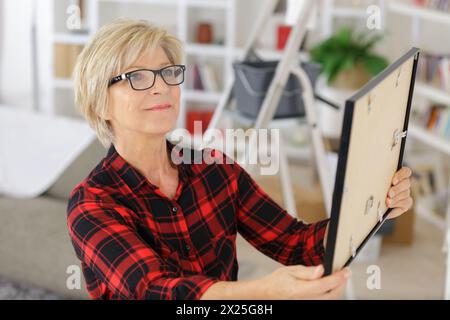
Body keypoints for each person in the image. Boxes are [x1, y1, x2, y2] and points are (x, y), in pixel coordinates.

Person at [67, 19, 413, 300]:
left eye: (168, 72)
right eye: (137, 77)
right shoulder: (91, 204)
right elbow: (156, 291)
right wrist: (267, 293)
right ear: (100, 102)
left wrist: (375, 205)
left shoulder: (215, 169)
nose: (161, 87)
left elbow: (296, 243)